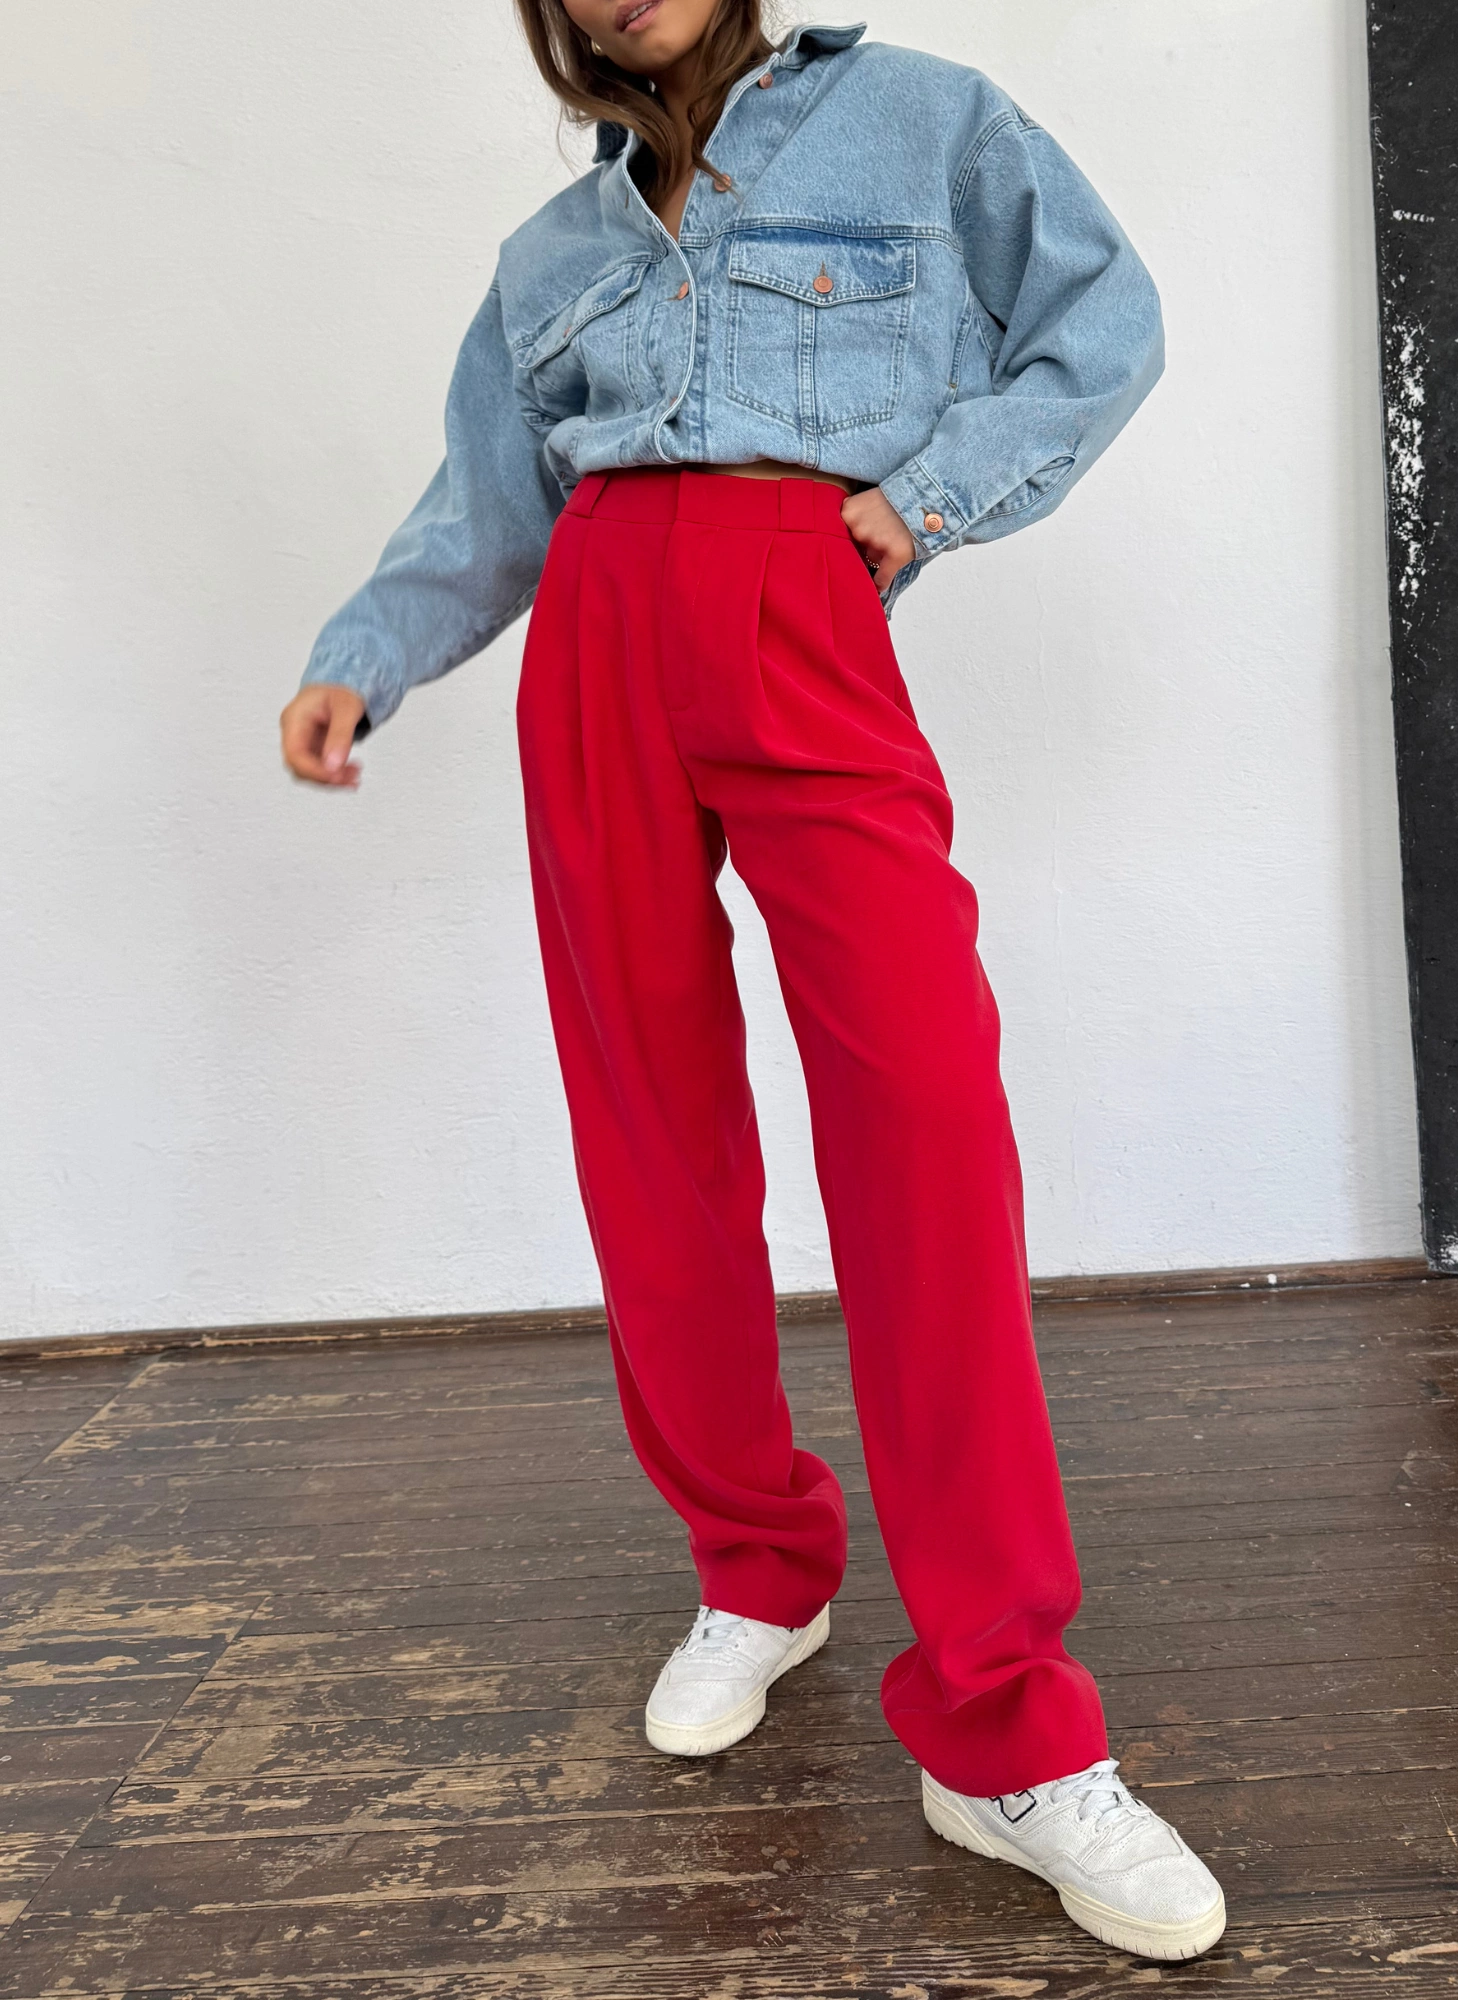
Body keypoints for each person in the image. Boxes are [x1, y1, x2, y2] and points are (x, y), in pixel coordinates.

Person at [280, 0, 1224, 1963]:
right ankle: (758, 1562)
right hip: (596, 645)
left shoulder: (922, 118)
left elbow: (1104, 320)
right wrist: (363, 656)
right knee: (652, 1135)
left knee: (925, 1125)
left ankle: (1004, 1727)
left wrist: (922, 498)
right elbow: (488, 508)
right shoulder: (552, 255)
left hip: (805, 613)